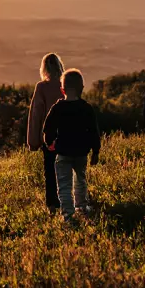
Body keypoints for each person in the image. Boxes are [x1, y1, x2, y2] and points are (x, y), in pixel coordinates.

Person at [42, 68, 101, 220]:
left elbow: (47, 128)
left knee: (64, 184)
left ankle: (67, 213)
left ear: (62, 90)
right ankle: (81, 207)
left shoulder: (58, 107)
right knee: (80, 180)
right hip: (81, 152)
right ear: (82, 88)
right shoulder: (86, 108)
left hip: (63, 152)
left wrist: (50, 142)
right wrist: (96, 151)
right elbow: (94, 131)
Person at [27, 53, 65, 212]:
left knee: (50, 172)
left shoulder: (41, 87)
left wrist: (33, 141)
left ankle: (52, 205)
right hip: (68, 136)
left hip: (49, 138)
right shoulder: (66, 85)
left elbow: (36, 115)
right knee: (67, 171)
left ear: (44, 68)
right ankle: (68, 202)